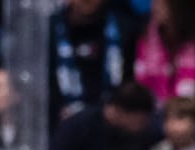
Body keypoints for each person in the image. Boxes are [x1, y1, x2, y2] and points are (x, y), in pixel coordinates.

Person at [132, 0, 195, 120]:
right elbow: (131, 81)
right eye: (155, 2)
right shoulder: (144, 31)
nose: (155, 8)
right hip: (150, 116)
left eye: (162, 4)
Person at [49, 0, 142, 128]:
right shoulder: (48, 32)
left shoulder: (126, 28)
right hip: (61, 125)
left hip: (115, 125)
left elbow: (133, 83)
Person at [51, 81, 159, 150]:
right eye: (141, 121)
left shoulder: (146, 135)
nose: (145, 125)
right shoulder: (78, 127)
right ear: (121, 112)